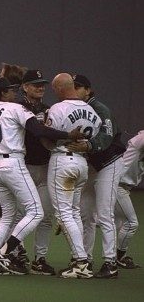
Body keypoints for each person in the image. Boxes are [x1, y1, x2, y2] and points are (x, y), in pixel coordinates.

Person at [0, 76, 84, 276]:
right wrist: (68, 135)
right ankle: (3, 254)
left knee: (8, 216)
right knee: (36, 212)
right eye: (11, 90)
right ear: (3, 93)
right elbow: (38, 130)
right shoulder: (15, 108)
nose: (15, 93)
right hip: (13, 162)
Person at [66, 74, 125, 278]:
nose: (75, 90)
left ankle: (110, 263)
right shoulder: (74, 108)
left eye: (79, 87)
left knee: (104, 213)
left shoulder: (100, 108)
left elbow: (107, 135)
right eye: (72, 87)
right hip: (92, 165)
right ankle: (85, 259)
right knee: (85, 214)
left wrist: (89, 145)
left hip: (110, 163)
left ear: (88, 90)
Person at [44, 73, 101, 278]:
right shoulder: (92, 111)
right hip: (81, 163)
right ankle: (81, 257)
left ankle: (81, 263)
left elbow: (48, 139)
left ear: (60, 88)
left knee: (64, 214)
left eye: (54, 89)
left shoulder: (58, 108)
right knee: (74, 213)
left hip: (63, 162)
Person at [19, 70, 56, 275]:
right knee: (19, 214)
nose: (40, 87)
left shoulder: (49, 109)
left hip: (45, 167)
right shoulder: (17, 108)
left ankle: (40, 259)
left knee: (46, 216)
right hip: (23, 167)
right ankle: (18, 254)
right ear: (25, 87)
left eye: (42, 84)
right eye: (35, 84)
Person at [115, 130, 143, 269]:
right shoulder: (142, 138)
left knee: (119, 224)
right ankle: (119, 257)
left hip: (122, 186)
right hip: (118, 186)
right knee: (131, 223)